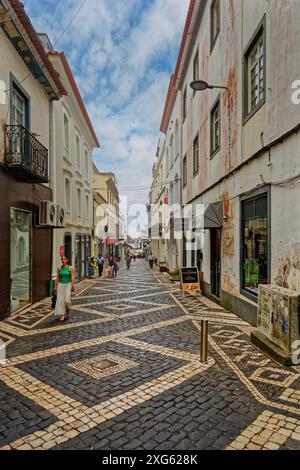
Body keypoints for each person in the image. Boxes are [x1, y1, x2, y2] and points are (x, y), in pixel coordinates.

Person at [54, 256, 75, 322]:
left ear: (67, 260)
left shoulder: (70, 268)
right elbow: (57, 278)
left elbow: (72, 277)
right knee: (60, 300)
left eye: (64, 259)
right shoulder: (59, 268)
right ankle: (62, 314)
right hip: (61, 285)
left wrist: (72, 285)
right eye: (62, 259)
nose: (62, 260)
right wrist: (55, 286)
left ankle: (68, 309)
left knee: (67, 299)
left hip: (68, 284)